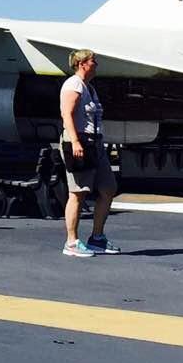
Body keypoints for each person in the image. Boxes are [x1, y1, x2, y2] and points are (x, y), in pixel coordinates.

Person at [59, 48, 118, 257]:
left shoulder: (89, 87)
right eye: (93, 61)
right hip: (80, 141)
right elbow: (67, 113)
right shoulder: (73, 84)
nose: (96, 64)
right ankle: (71, 242)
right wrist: (75, 141)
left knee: (108, 188)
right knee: (78, 192)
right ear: (82, 63)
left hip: (95, 143)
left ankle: (97, 237)